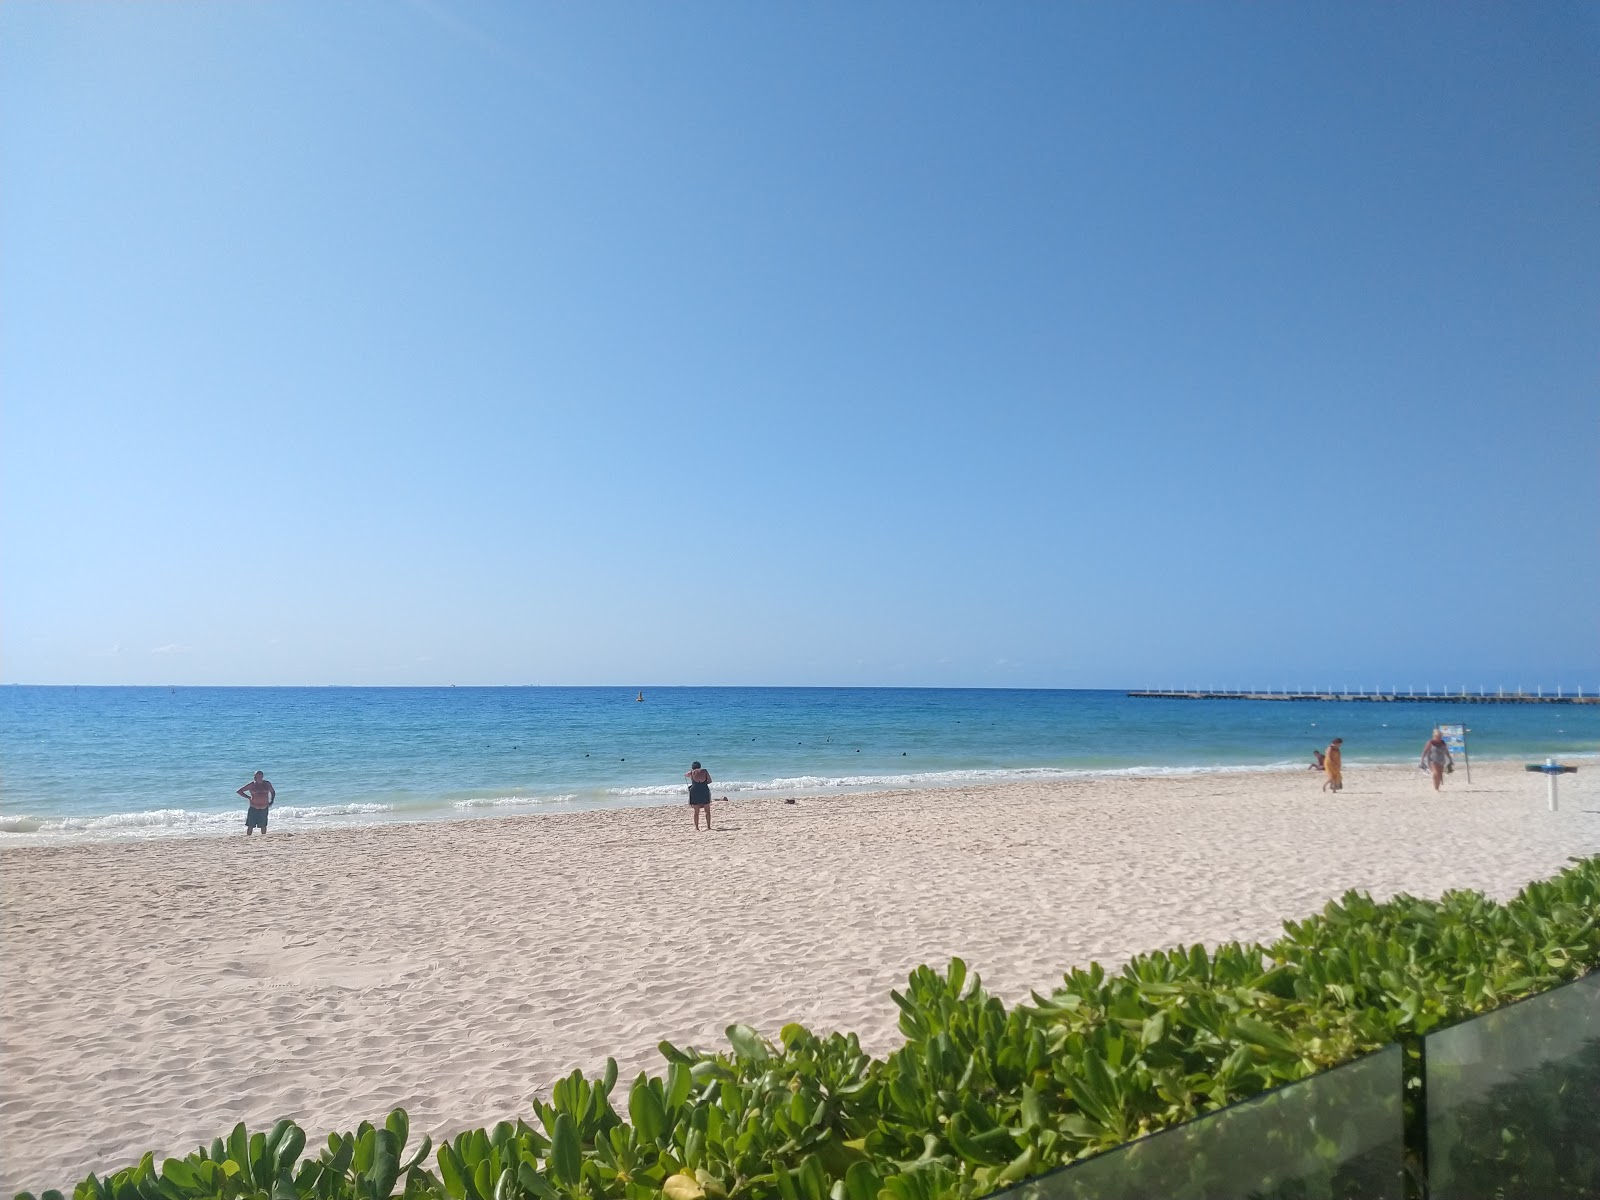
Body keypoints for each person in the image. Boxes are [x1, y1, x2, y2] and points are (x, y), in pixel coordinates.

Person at [237, 771, 276, 835]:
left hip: (264, 807)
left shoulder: (267, 784)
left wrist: (271, 801)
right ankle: (248, 838)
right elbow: (239, 791)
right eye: (254, 776)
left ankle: (263, 837)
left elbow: (273, 792)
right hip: (254, 807)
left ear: (261, 776)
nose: (255, 778)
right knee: (250, 825)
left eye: (257, 776)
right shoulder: (251, 785)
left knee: (263, 825)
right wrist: (248, 797)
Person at [685, 761, 713, 830]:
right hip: (704, 790)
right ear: (700, 766)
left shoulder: (691, 772)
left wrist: (691, 773)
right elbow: (710, 781)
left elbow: (685, 775)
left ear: (692, 767)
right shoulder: (705, 771)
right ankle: (708, 826)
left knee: (696, 812)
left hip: (694, 791)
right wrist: (703, 783)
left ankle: (697, 828)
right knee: (707, 811)